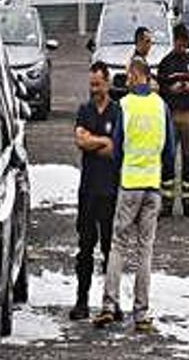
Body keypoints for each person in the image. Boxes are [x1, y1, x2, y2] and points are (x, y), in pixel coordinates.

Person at [93, 59, 174, 332]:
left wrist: (118, 175)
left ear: (136, 75)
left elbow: (116, 148)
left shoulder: (124, 106)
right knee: (145, 250)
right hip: (152, 185)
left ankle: (109, 304)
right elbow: (170, 151)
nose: (126, 79)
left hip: (129, 184)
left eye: (128, 74)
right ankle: (141, 313)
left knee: (118, 245)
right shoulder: (161, 106)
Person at [70, 61, 121, 321]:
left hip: (110, 191)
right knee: (85, 248)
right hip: (88, 190)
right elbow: (80, 140)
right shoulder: (85, 110)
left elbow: (116, 149)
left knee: (110, 249)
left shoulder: (117, 112)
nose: (94, 89)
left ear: (107, 83)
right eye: (91, 84)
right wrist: (101, 141)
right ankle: (81, 300)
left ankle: (112, 302)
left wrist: (94, 141)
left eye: (98, 84)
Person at [157, 24, 189, 217]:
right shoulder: (166, 63)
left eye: (185, 43)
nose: (182, 46)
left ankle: (188, 202)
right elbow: (160, 89)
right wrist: (170, 90)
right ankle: (167, 203)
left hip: (188, 114)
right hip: (171, 114)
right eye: (180, 42)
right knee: (169, 158)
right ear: (174, 41)